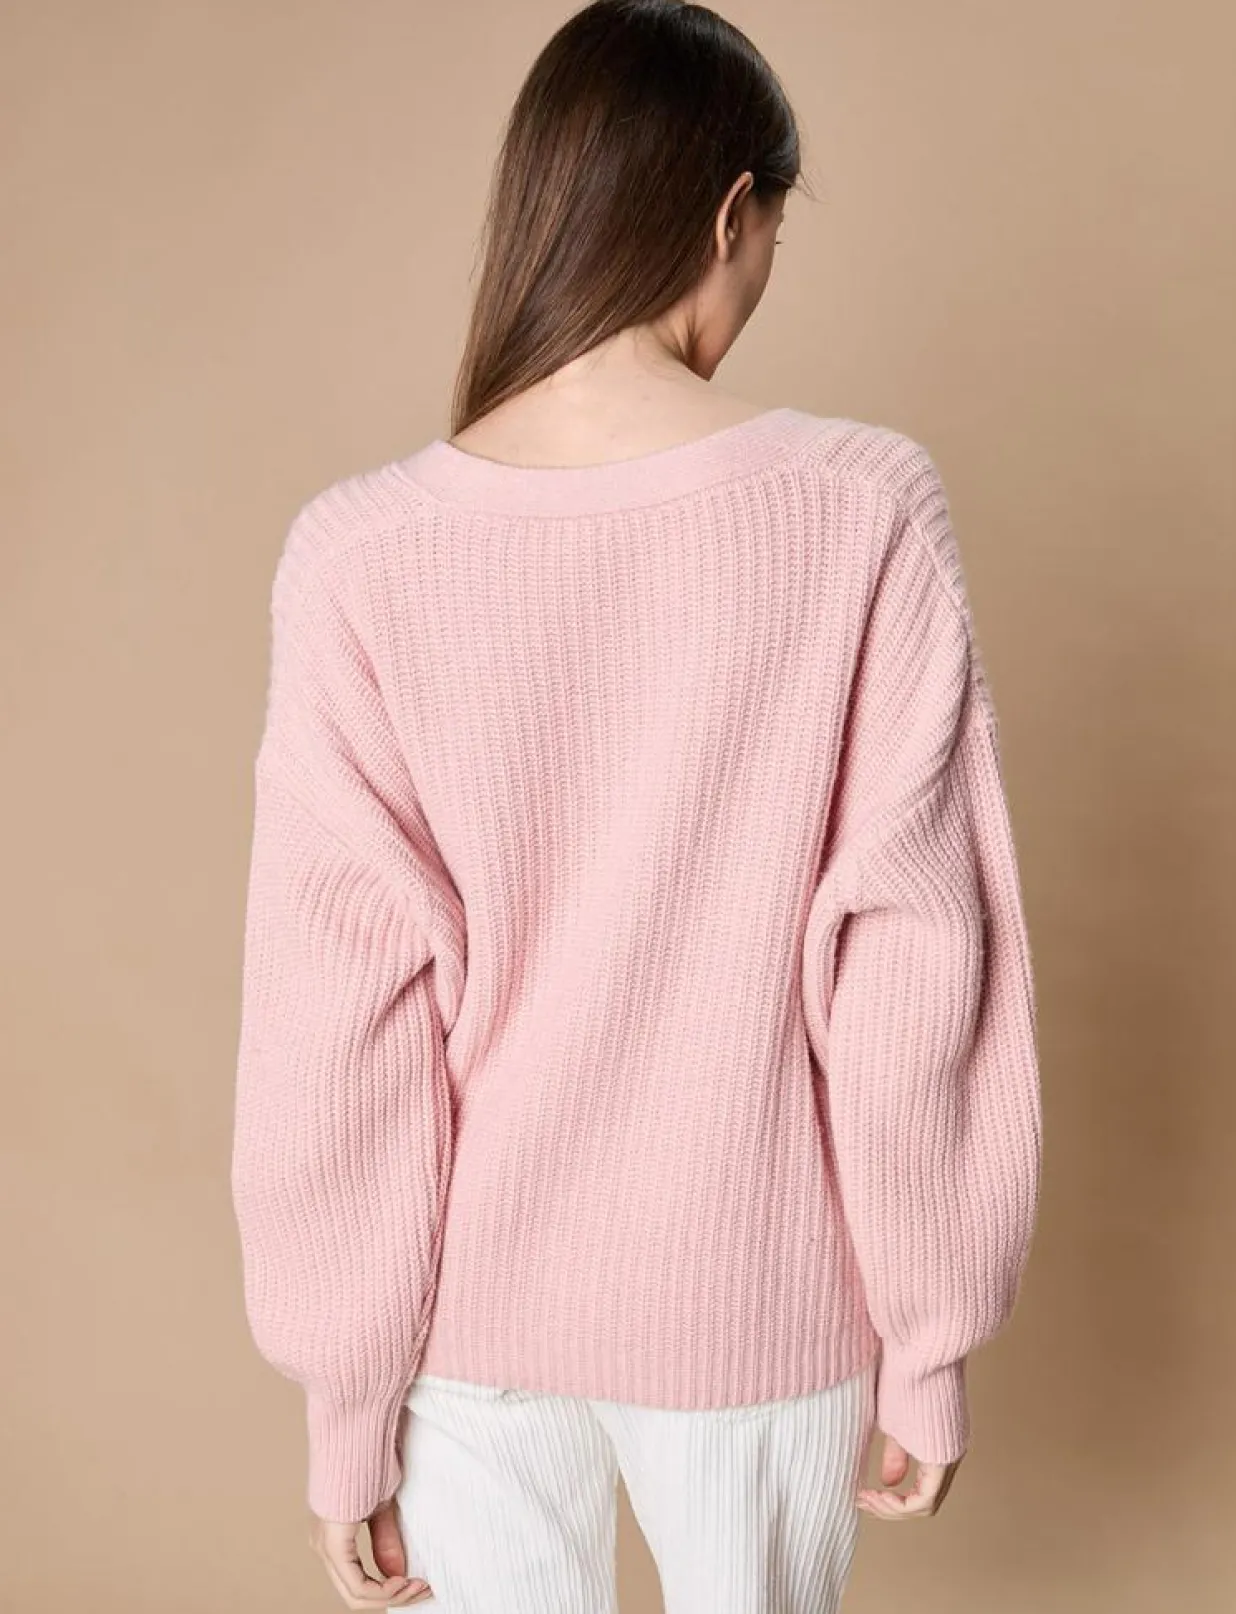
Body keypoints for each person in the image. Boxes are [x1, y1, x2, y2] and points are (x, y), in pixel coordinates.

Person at [229, 1, 1043, 1609]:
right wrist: (928, 1334)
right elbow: (909, 956)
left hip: (470, 1331)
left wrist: (347, 1404)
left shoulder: (358, 554)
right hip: (758, 1310)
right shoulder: (862, 511)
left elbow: (341, 1020)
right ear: (732, 212)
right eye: (773, 239)